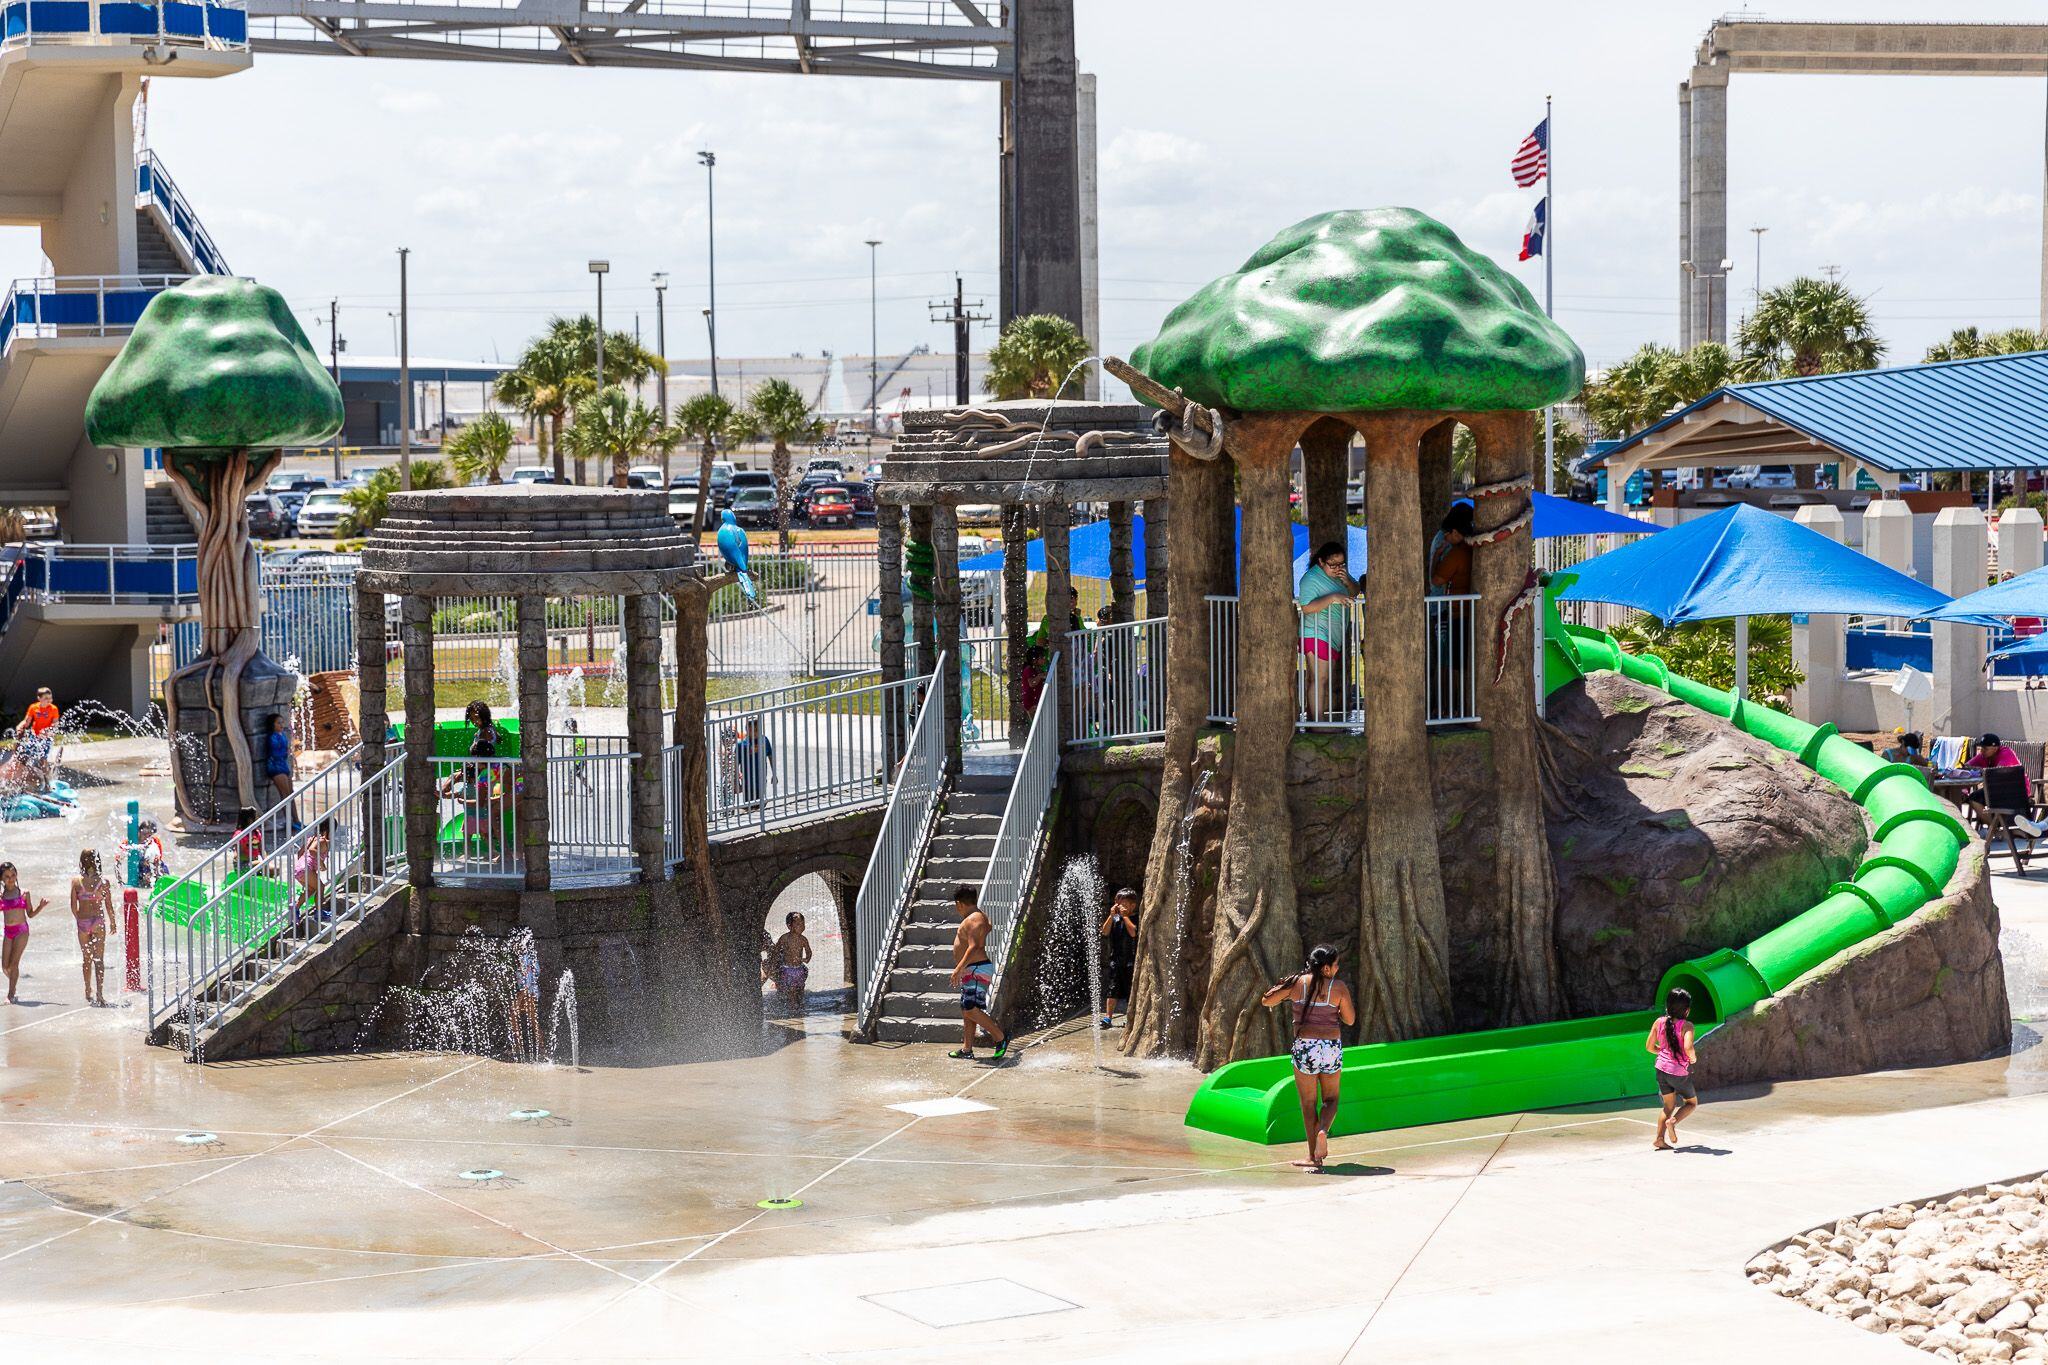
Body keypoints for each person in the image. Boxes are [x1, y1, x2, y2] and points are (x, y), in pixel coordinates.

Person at [1260, 945, 1355, 1171]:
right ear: (1326, 968)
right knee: (1330, 1100)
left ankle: (1313, 1157)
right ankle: (1323, 1129)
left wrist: (1285, 984)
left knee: (1308, 1104)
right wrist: (1336, 1011)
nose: (1338, 968)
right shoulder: (1338, 987)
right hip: (1330, 1047)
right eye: (1336, 964)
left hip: (1305, 1048)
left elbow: (1267, 1001)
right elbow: (1350, 1020)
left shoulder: (1297, 983)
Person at [1295, 541, 1358, 720]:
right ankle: (1318, 722)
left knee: (1321, 679)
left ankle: (1316, 719)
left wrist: (1348, 581)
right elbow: (1306, 607)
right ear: (1321, 562)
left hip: (1332, 634)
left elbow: (1354, 592)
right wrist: (1332, 597)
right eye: (1333, 565)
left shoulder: (1340, 576)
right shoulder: (1310, 579)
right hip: (1316, 632)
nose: (1338, 568)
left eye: (1341, 564)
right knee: (1319, 679)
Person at [947, 884, 1008, 1060]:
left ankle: (1000, 1037)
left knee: (970, 1009)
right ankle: (967, 1050)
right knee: (967, 1010)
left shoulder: (974, 919)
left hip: (976, 969)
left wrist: (958, 968)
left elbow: (975, 947)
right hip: (973, 969)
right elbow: (987, 927)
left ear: (959, 904)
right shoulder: (978, 917)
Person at [1647, 986, 1699, 1150]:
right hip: (1678, 1073)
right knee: (1691, 1103)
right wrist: (1693, 1059)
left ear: (1668, 1007)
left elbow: (1649, 1047)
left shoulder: (1659, 1022)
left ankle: (1659, 1139)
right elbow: (1688, 1047)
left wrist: (1663, 1053)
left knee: (1668, 1106)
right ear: (1687, 1011)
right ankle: (1673, 1122)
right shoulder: (1687, 1026)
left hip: (1661, 1069)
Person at [70, 849, 113, 1006]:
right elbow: (108, 905)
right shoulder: (103, 881)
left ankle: (88, 989)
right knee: (99, 959)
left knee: (86, 959)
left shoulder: (76, 881)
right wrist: (113, 922)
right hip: (98, 921)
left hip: (83, 922)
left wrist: (80, 920)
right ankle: (100, 993)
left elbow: (73, 905)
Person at [0, 862, 48, 1003]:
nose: (11, 878)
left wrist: (41, 906)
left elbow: (30, 914)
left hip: (22, 931)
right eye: (7, 876)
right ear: (1, 879)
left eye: (13, 875)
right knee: (5, 966)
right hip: (8, 931)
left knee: (14, 964)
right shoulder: (2, 896)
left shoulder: (24, 893)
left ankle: (11, 994)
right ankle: (13, 980)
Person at [1098, 886, 1139, 1027]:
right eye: (1118, 904)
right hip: (1116, 959)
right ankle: (1108, 1017)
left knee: (1130, 990)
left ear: (1133, 905)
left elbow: (1133, 932)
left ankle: (1131, 1017)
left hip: (1131, 960)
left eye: (1125, 905)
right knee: (1112, 989)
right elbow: (1104, 932)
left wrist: (1125, 917)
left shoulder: (1134, 917)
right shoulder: (1115, 918)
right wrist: (1111, 916)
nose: (1121, 907)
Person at [771, 911, 813, 1012]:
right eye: (798, 924)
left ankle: (800, 1010)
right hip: (787, 970)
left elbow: (809, 954)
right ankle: (793, 1012)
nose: (802, 926)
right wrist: (773, 965)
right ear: (789, 926)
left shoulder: (803, 939)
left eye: (803, 923)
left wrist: (803, 960)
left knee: (800, 992)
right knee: (792, 993)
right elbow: (776, 952)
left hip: (800, 970)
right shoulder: (784, 938)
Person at [509, 934, 541, 1062]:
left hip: (527, 992)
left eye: (516, 944)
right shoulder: (525, 958)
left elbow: (531, 977)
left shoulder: (526, 958)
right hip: (527, 992)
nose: (514, 946)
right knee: (529, 1019)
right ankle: (524, 1046)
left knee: (519, 1015)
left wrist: (523, 994)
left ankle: (521, 1047)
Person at [291, 822, 331, 926]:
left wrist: (303, 865)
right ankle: (319, 912)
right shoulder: (323, 840)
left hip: (298, 869)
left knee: (312, 889)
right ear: (327, 831)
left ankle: (295, 907)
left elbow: (300, 852)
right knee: (321, 887)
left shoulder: (311, 839)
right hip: (306, 869)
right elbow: (312, 850)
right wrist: (322, 864)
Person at [735, 717, 776, 809]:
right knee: (748, 804)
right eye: (751, 729)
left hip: (761, 779)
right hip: (747, 781)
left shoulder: (764, 741)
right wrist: (737, 780)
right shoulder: (741, 745)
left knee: (761, 803)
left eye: (757, 729)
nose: (755, 732)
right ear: (747, 729)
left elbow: (770, 756)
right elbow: (735, 764)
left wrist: (774, 773)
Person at [264, 714, 296, 830]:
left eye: (282, 722)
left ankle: (296, 820)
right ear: (273, 725)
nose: (282, 725)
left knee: (291, 794)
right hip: (275, 767)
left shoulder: (282, 735)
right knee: (285, 795)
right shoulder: (272, 737)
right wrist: (285, 753)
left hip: (283, 765)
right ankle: (289, 821)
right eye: (279, 723)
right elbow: (275, 753)